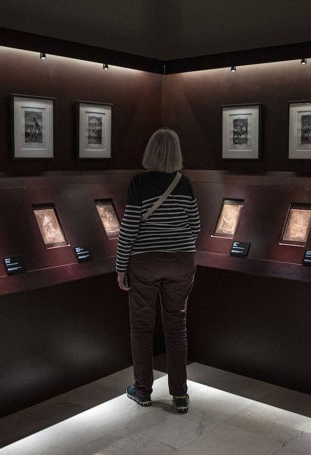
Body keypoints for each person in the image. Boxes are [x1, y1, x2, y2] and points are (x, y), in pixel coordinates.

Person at [116, 128, 201, 414]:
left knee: (142, 327)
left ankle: (142, 391)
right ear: (176, 153)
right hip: (181, 260)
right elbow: (196, 225)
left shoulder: (139, 183)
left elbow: (129, 228)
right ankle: (179, 395)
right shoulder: (185, 183)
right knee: (176, 327)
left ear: (150, 151)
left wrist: (120, 267)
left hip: (145, 262)